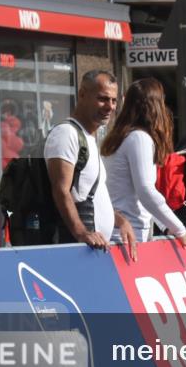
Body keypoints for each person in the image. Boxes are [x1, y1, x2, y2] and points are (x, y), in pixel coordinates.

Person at [100, 78, 186, 255]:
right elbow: (146, 190)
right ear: (155, 106)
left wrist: (166, 226)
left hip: (121, 232)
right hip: (127, 237)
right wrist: (180, 230)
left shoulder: (121, 137)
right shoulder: (139, 138)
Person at [45, 70, 137, 260]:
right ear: (82, 95)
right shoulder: (66, 134)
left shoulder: (88, 137)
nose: (109, 107)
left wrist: (119, 220)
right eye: (103, 99)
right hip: (76, 251)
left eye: (113, 101)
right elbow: (61, 190)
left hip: (93, 249)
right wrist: (82, 233)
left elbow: (87, 193)